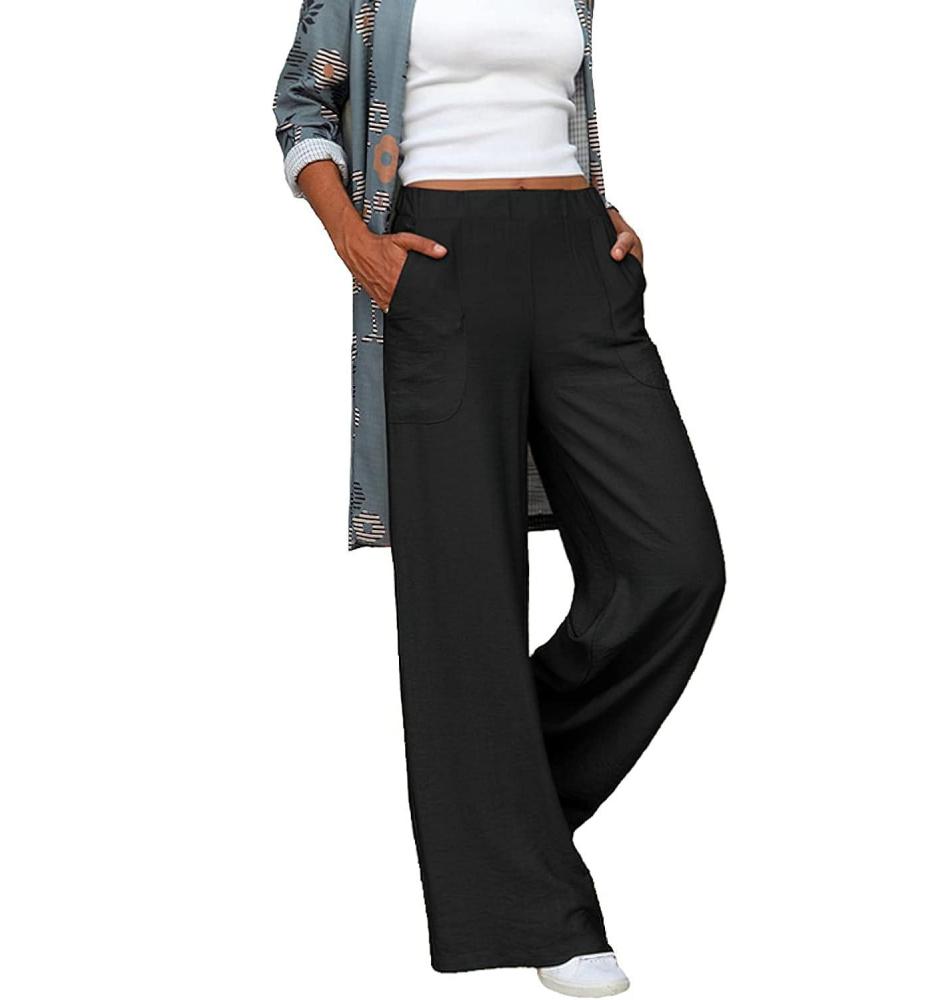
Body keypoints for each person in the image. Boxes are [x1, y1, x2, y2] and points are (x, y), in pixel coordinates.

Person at [272, 0, 726, 993]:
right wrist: (356, 244)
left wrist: (603, 212)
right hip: (437, 256)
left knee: (674, 567)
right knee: (466, 591)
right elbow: (302, 102)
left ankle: (488, 803)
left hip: (579, 257)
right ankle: (525, 901)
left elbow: (553, 102)